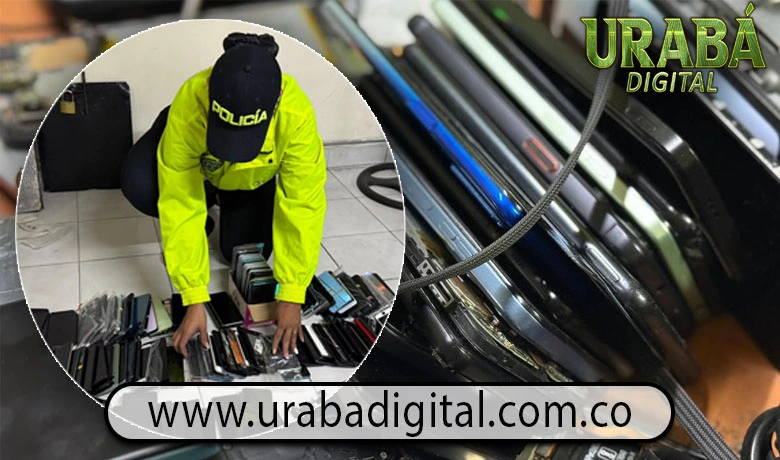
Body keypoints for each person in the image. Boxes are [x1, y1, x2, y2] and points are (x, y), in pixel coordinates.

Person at [120, 33, 327, 358]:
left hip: (250, 181)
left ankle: (228, 201)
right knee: (142, 184)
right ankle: (207, 207)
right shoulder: (191, 105)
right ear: (210, 88)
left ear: (276, 101)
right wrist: (193, 296)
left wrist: (292, 294)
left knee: (240, 255)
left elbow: (303, 203)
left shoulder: (296, 116)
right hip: (201, 170)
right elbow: (179, 200)